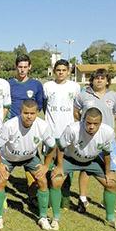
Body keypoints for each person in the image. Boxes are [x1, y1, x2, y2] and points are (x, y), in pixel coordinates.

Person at [50, 107, 116, 230]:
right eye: (89, 123)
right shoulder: (72, 129)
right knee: (56, 180)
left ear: (101, 123)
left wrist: (108, 172)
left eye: (95, 124)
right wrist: (59, 166)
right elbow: (60, 147)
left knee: (111, 183)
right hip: (70, 159)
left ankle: (111, 219)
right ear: (83, 120)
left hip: (92, 161)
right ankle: (55, 218)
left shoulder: (107, 132)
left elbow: (107, 153)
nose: (92, 126)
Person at [0, 100, 55, 231]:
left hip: (30, 158)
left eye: (32, 113)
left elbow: (52, 147)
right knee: (1, 180)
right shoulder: (10, 125)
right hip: (9, 158)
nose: (29, 116)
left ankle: (43, 217)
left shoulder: (43, 126)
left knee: (42, 180)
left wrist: (46, 165)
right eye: (26, 113)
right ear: (21, 112)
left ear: (37, 113)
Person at [73, 68, 116, 212]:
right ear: (92, 80)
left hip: (108, 140)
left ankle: (106, 200)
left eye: (102, 78)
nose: (99, 80)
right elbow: (76, 112)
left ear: (107, 80)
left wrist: (106, 126)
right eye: (96, 78)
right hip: (89, 140)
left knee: (111, 170)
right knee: (86, 168)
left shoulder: (113, 96)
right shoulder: (83, 95)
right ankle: (82, 198)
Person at [43, 59, 80, 209]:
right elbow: (45, 106)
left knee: (66, 166)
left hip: (68, 133)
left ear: (68, 71)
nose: (61, 73)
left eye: (64, 70)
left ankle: (65, 197)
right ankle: (50, 198)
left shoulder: (75, 87)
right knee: (49, 165)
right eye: (58, 70)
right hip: (50, 133)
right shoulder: (47, 86)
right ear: (54, 70)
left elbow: (77, 108)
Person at [8, 54, 45, 205]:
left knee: (31, 161)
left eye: (25, 67)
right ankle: (1, 192)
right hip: (13, 129)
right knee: (7, 160)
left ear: (29, 67)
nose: (22, 70)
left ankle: (33, 195)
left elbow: (40, 104)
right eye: (20, 67)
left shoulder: (36, 85)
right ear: (16, 67)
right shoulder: (9, 84)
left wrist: (30, 119)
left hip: (30, 129)